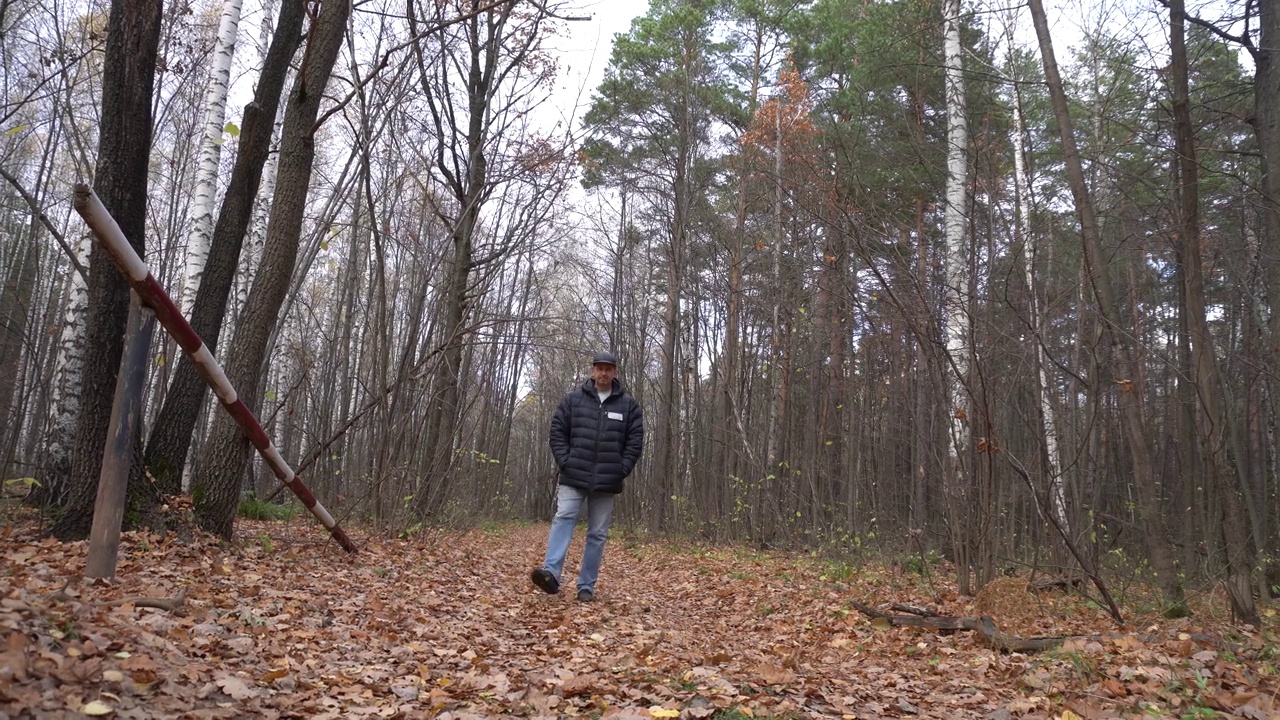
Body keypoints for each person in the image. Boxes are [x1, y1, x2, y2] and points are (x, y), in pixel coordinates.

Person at [531, 351, 644, 602]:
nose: (603, 373)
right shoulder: (573, 401)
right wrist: (565, 461)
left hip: (607, 480)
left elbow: (635, 443)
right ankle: (551, 573)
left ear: (615, 372)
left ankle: (586, 587)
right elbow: (557, 432)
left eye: (608, 369)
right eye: (599, 368)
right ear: (593, 371)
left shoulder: (628, 406)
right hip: (573, 475)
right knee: (563, 518)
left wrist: (621, 469)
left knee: (597, 534)